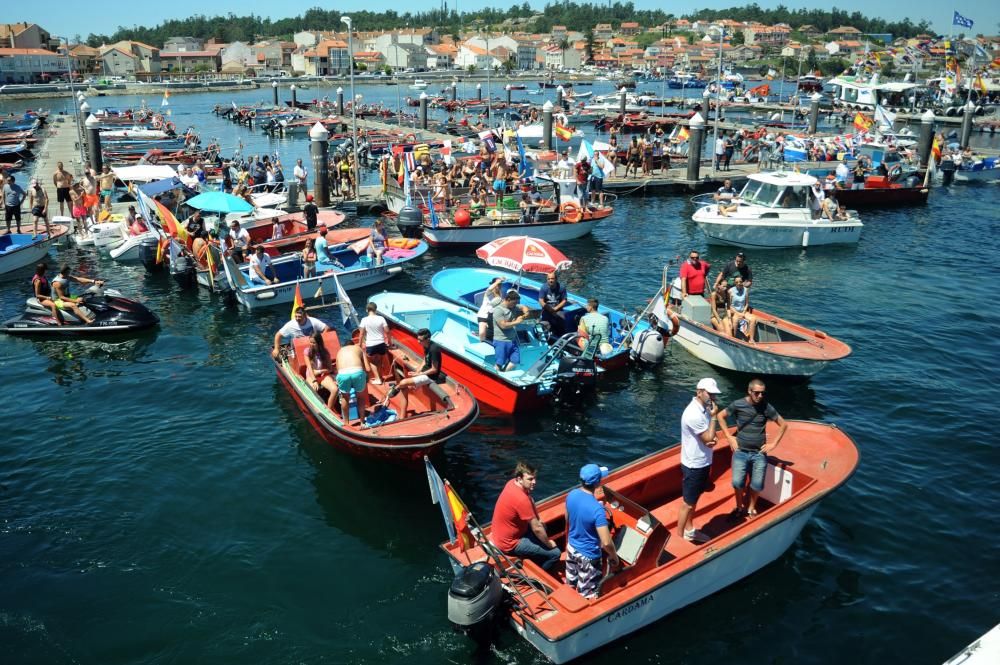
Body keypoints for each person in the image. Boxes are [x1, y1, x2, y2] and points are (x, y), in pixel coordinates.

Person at [718, 379, 788, 518]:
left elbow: (783, 424)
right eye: (757, 393)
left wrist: (773, 444)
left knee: (757, 485)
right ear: (749, 391)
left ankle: (751, 508)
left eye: (762, 393)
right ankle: (739, 507)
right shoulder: (738, 404)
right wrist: (729, 437)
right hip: (740, 452)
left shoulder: (766, 407)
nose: (760, 396)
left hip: (759, 454)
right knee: (738, 483)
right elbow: (720, 416)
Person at [489, 461, 560, 572]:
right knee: (555, 553)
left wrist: (538, 519)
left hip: (504, 534)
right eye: (530, 479)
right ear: (519, 478)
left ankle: (537, 558)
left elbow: (529, 499)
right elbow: (536, 528)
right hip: (510, 543)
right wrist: (549, 544)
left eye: (535, 478)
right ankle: (542, 576)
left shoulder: (512, 483)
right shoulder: (521, 499)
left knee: (543, 528)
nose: (534, 482)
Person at [677, 378, 722, 543]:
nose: (713, 398)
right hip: (694, 465)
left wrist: (711, 438)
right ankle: (679, 538)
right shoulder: (694, 414)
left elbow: (711, 438)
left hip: (703, 462)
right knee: (688, 504)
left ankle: (689, 530)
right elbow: (709, 437)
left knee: (694, 499)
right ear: (699, 392)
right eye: (710, 394)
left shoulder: (704, 409)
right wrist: (715, 418)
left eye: (714, 394)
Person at [565, 463, 618, 599]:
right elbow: (606, 542)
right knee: (587, 594)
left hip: (571, 548)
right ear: (597, 483)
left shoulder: (571, 495)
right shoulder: (597, 510)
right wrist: (614, 557)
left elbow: (568, 518)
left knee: (571, 584)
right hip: (588, 557)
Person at [382, 328, 445, 416]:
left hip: (431, 377)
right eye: (418, 339)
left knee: (403, 382)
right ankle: (402, 415)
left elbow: (434, 369)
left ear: (428, 339)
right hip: (423, 373)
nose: (418, 342)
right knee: (404, 388)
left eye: (421, 340)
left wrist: (420, 374)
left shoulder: (434, 349)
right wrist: (417, 371)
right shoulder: (426, 345)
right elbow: (425, 359)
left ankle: (395, 389)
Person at [334, 339, 371, 424]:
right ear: (353, 345)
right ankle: (362, 422)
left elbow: (338, 370)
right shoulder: (358, 348)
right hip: (357, 372)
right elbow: (368, 368)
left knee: (345, 398)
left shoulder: (340, 351)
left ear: (344, 346)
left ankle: (346, 423)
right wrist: (366, 377)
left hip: (343, 374)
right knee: (360, 397)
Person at [492, 290, 530, 372]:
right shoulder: (498, 310)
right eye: (514, 303)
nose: (515, 305)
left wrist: (525, 315)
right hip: (501, 341)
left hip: (512, 341)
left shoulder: (513, 307)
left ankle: (504, 374)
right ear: (508, 299)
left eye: (516, 303)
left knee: (515, 361)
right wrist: (517, 321)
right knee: (499, 363)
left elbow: (524, 307)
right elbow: (503, 325)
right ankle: (496, 376)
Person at [304, 331, 339, 412]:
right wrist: (314, 380)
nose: (311, 344)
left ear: (319, 343)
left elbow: (329, 369)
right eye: (310, 342)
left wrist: (319, 371)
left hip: (322, 375)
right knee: (313, 389)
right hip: (311, 375)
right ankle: (315, 409)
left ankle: (330, 410)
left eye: (314, 343)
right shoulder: (307, 351)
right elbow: (309, 368)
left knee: (335, 390)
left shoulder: (325, 352)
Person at [359, 302, 392, 385]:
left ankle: (378, 379)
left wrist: (360, 344)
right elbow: (387, 331)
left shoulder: (364, 320)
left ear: (367, 310)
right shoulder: (381, 318)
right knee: (379, 361)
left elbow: (361, 333)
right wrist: (389, 342)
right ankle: (380, 376)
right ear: (375, 310)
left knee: (372, 362)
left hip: (371, 344)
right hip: (381, 343)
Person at [538, 272, 568, 337]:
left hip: (558, 309)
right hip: (547, 310)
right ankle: (547, 335)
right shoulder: (544, 288)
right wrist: (550, 310)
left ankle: (560, 335)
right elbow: (541, 301)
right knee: (544, 325)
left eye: (552, 279)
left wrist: (555, 309)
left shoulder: (561, 288)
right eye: (549, 279)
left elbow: (564, 300)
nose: (550, 280)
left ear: (556, 279)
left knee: (562, 320)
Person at [728, 276, 756, 343]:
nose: (739, 283)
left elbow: (746, 304)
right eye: (737, 282)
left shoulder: (745, 290)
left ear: (742, 282)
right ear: (735, 283)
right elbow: (729, 305)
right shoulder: (730, 291)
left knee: (753, 319)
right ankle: (734, 340)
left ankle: (751, 339)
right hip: (734, 311)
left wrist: (743, 312)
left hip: (743, 311)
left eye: (740, 281)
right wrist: (738, 313)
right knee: (735, 320)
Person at [477, 277, 504, 342]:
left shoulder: (500, 295)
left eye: (500, 285)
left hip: (492, 317)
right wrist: (498, 281)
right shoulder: (488, 293)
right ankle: (481, 342)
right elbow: (490, 288)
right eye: (498, 284)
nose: (499, 286)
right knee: (482, 333)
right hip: (483, 315)